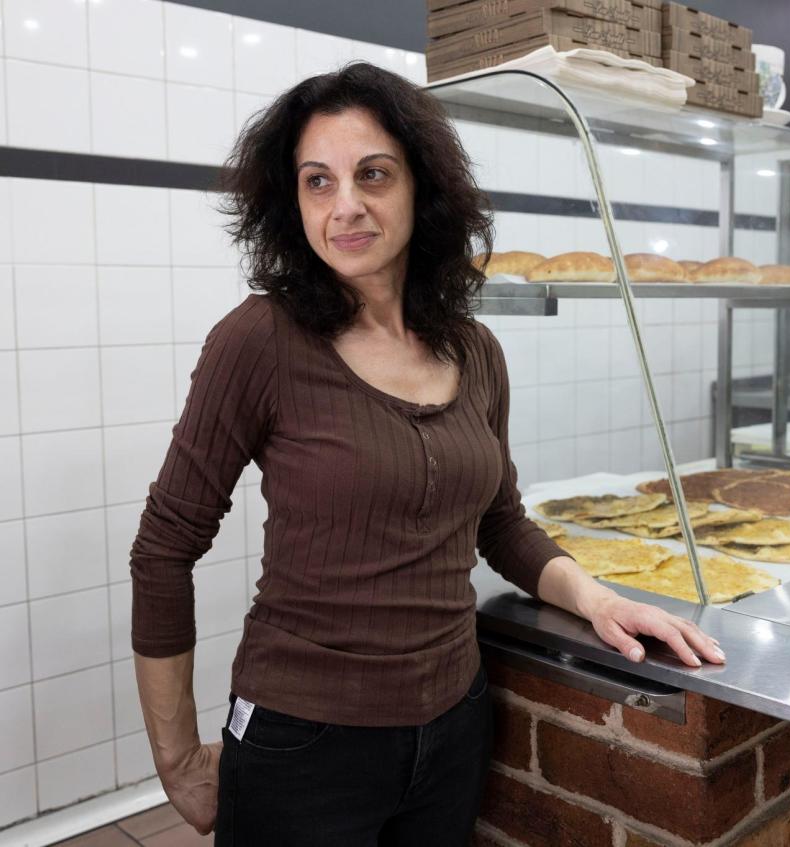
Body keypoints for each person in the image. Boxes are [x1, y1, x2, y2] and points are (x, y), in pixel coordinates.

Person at [129, 62, 724, 847]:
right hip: (302, 738)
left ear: (421, 186)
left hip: (453, 726)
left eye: (372, 174)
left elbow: (503, 523)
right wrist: (174, 759)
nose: (346, 205)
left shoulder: (474, 349)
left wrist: (600, 600)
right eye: (318, 181)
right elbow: (164, 548)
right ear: (291, 202)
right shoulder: (260, 340)